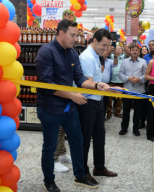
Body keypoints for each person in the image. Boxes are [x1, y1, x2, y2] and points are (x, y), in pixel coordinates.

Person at [36, 19, 108, 191]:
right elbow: (47, 85)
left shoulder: (73, 53)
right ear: (61, 33)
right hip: (50, 108)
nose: (76, 39)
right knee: (50, 145)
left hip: (69, 108)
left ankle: (80, 175)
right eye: (73, 35)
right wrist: (72, 95)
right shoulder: (46, 52)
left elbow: (80, 79)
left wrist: (98, 85)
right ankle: (49, 180)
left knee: (78, 141)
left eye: (77, 35)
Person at [77, 29, 120, 188]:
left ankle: (99, 167)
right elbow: (87, 86)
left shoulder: (97, 56)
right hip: (87, 102)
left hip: (98, 101)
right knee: (85, 139)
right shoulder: (87, 58)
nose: (105, 48)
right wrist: (108, 88)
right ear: (94, 40)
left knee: (100, 136)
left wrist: (107, 89)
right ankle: (82, 172)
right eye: (103, 45)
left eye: (108, 46)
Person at [118, 44, 147, 136]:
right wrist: (127, 78)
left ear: (139, 52)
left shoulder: (143, 62)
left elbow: (146, 76)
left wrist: (139, 79)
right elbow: (120, 74)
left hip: (139, 90)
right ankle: (124, 128)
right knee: (126, 110)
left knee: (138, 111)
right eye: (133, 50)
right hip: (127, 90)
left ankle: (135, 129)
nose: (135, 51)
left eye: (136, 50)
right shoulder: (124, 62)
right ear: (130, 51)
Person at [106, 39, 131, 119]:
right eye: (117, 48)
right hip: (112, 80)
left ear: (122, 50)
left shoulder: (123, 57)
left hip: (120, 81)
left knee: (119, 98)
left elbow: (128, 52)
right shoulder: (111, 56)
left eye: (120, 48)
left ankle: (117, 112)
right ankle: (109, 111)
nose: (118, 49)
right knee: (109, 98)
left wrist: (124, 43)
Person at [139, 40, 154, 129]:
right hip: (146, 84)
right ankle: (142, 122)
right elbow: (143, 70)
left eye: (153, 45)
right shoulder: (146, 57)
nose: (151, 47)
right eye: (150, 45)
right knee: (144, 104)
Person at [101, 45, 117, 121]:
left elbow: (115, 64)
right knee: (99, 103)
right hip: (99, 85)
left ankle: (103, 118)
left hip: (107, 85)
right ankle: (99, 119)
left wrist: (115, 55)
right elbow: (103, 57)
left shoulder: (109, 61)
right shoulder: (99, 59)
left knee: (105, 103)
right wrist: (108, 50)